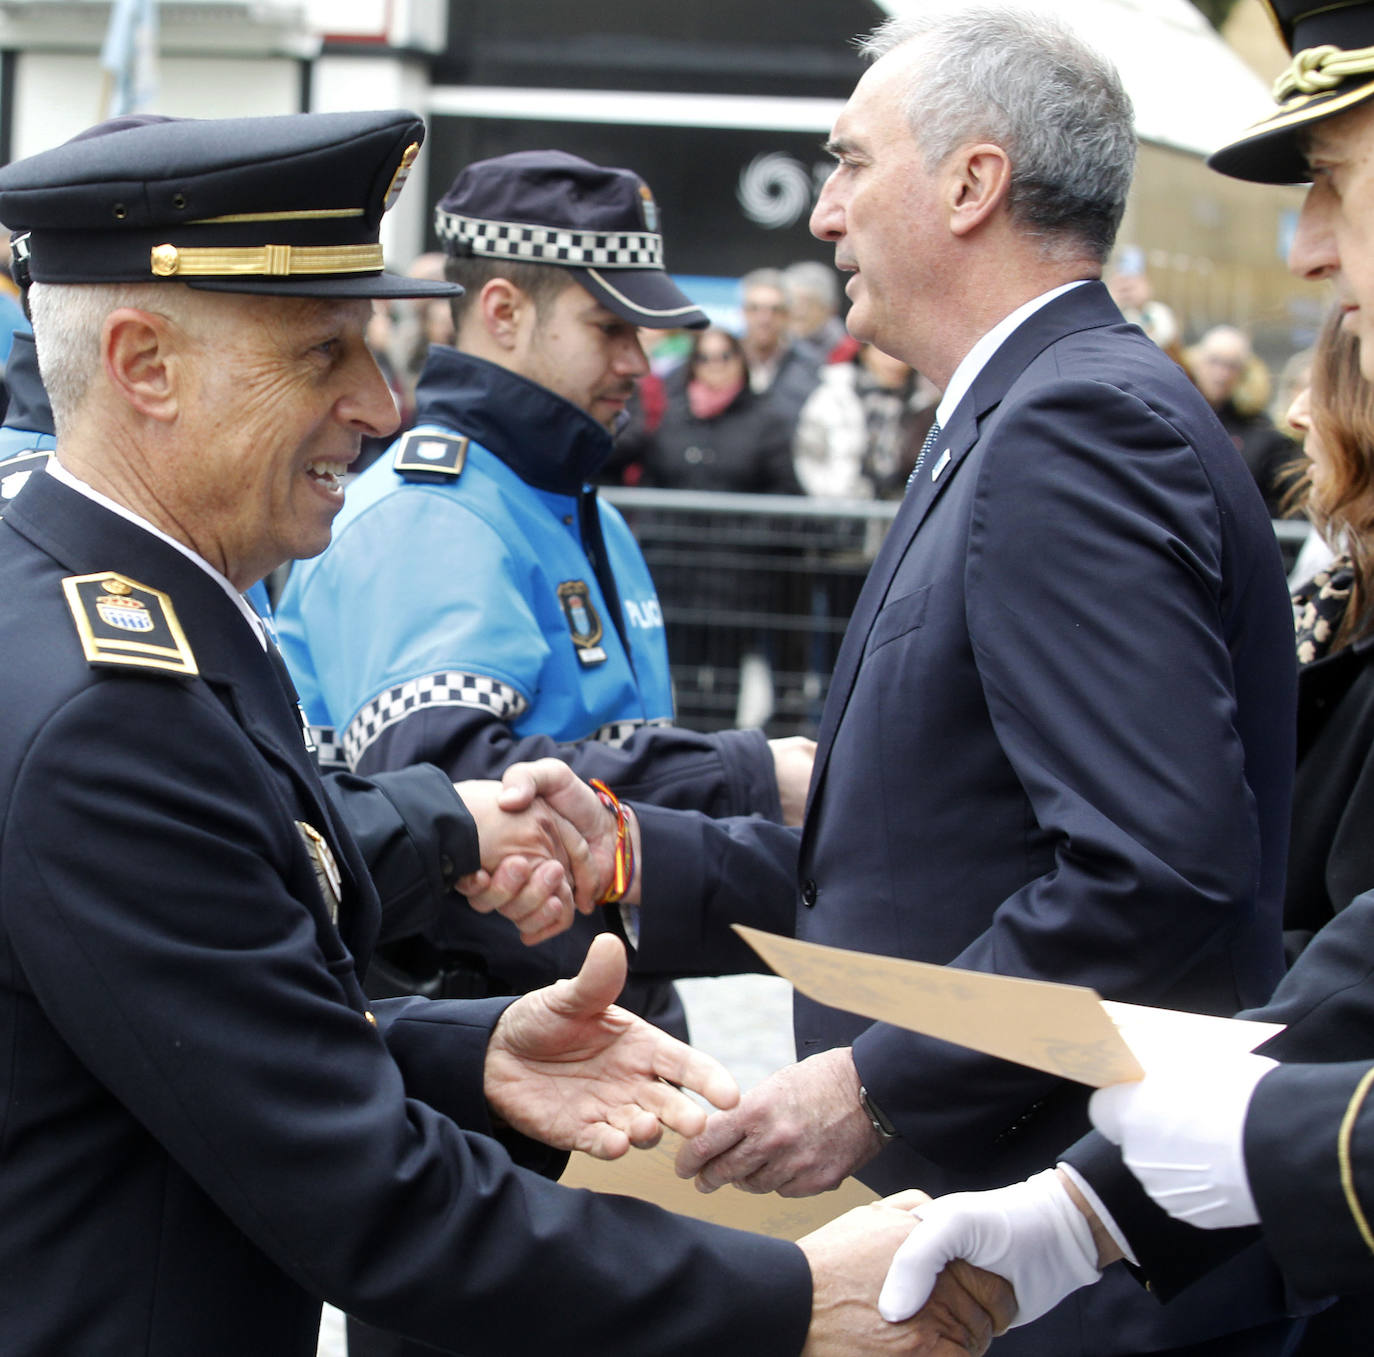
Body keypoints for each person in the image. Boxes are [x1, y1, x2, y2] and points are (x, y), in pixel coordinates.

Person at [0, 107, 1017, 1357]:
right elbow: (362, 1192)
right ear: (145, 362)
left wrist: (462, 1044)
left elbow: (213, 975)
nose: (377, 404)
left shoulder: (105, 607)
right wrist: (795, 1302)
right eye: (323, 354)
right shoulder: (113, 708)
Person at [549, 9, 1298, 1355]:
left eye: (847, 162)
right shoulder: (1024, 411)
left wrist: (869, 1086)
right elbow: (936, 842)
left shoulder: (1069, 425)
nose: (824, 212)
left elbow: (1150, 871)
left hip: (1067, 1253)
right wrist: (631, 853)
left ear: (971, 184)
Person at [874, 1, 1374, 1346]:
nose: (1308, 248)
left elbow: (1156, 861)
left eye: (1331, 181)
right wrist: (1092, 1212)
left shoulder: (1069, 418)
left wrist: (1299, 1142)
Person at [275, 150, 813, 1037]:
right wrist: (751, 776)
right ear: (503, 311)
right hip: (474, 1036)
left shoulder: (559, 500)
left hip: (581, 1006)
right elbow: (453, 787)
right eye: (610, 327)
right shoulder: (431, 513)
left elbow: (602, 748)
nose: (641, 361)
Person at [792, 341, 939, 500]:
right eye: (885, 353)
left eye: (901, 356)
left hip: (897, 507)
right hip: (838, 506)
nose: (895, 363)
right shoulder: (835, 396)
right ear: (865, 353)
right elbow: (809, 451)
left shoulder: (922, 404)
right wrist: (830, 495)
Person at [1187, 324, 1303, 518]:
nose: (1221, 374)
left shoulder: (1263, 434)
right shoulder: (1176, 414)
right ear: (1197, 362)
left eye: (1231, 365)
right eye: (1214, 361)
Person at [738, 265, 823, 430]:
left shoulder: (810, 368)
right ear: (742, 312)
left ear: (788, 315)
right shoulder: (721, 361)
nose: (764, 319)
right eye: (754, 309)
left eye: (775, 310)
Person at [785, 258, 852, 367]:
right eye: (791, 303)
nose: (798, 312)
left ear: (830, 308)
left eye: (807, 303)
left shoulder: (853, 352)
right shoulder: (780, 350)